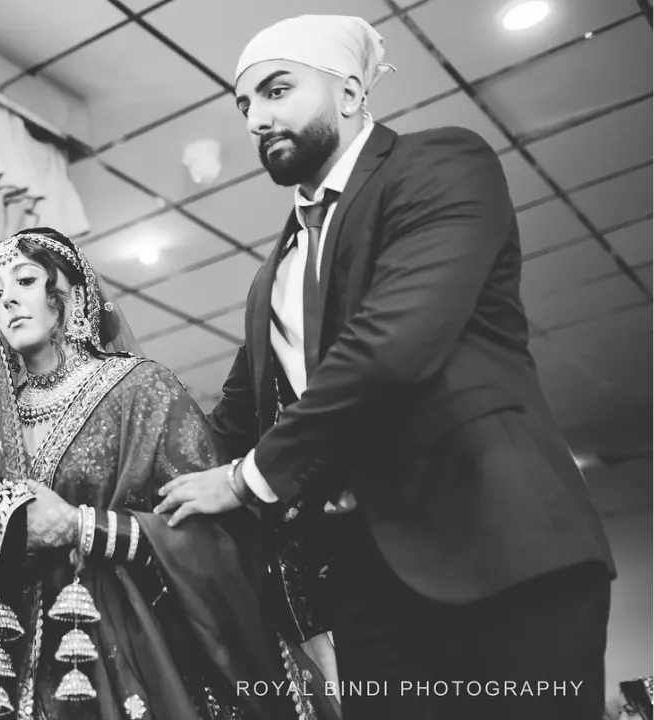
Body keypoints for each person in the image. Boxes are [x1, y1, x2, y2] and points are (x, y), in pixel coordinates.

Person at [155, 14, 615, 720]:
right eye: (245, 105)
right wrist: (101, 465)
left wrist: (246, 482)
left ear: (348, 93)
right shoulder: (271, 275)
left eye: (277, 90)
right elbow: (227, 424)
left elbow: (393, 347)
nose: (256, 118)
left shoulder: (439, 164)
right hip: (366, 588)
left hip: (500, 552)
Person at [0, 228, 339, 720]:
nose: (9, 302)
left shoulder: (139, 389)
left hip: (129, 648)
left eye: (26, 281)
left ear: (78, 295)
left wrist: (82, 527)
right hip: (19, 663)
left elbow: (207, 531)